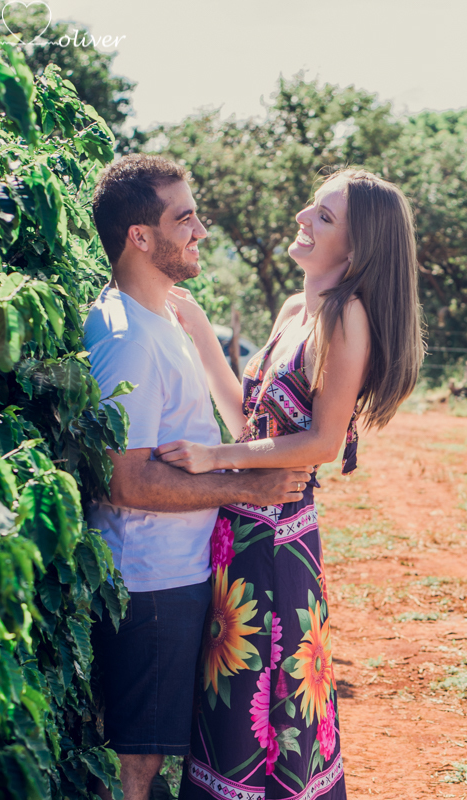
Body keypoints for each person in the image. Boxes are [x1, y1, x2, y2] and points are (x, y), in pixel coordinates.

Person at [155, 168, 423, 800]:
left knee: (266, 700)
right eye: (313, 206)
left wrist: (211, 456)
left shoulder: (344, 317)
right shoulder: (294, 309)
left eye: (324, 217)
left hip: (279, 540)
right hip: (241, 529)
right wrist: (197, 330)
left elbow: (324, 442)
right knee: (232, 695)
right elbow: (250, 420)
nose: (303, 217)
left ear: (355, 250)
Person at [85, 154, 315, 800]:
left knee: (153, 758)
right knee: (139, 766)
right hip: (152, 584)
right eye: (184, 218)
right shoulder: (129, 339)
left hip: (175, 575)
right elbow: (124, 480)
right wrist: (245, 487)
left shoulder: (163, 317)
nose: (200, 231)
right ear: (140, 237)